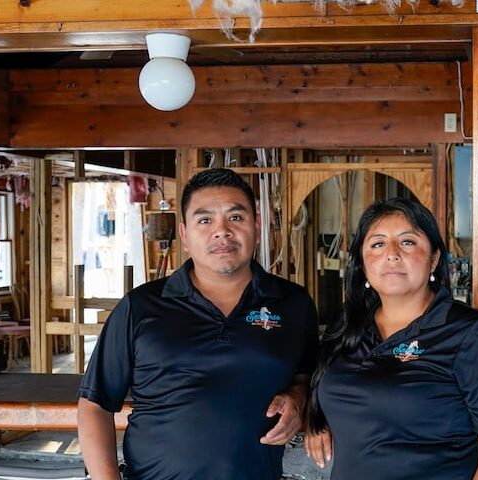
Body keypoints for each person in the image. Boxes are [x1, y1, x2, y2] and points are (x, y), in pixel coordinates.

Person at [77, 168, 319, 480]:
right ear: (186, 235)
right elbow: (95, 403)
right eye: (205, 220)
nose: (222, 231)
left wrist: (299, 399)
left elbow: (310, 378)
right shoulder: (141, 307)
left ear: (256, 227)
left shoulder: (294, 304)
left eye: (236, 217)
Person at [304, 198, 478, 479]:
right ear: (362, 262)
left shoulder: (470, 333)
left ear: (433, 258)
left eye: (408, 242)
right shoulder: (347, 329)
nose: (392, 254)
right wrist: (318, 419)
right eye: (377, 244)